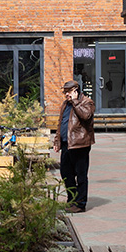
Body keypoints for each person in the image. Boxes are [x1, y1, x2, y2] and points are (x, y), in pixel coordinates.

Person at [53, 79, 95, 213]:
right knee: (66, 174)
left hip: (80, 145)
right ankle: (72, 200)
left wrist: (75, 101)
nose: (66, 94)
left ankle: (80, 204)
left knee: (81, 175)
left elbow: (86, 116)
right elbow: (61, 123)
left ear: (76, 91)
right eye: (65, 92)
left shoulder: (87, 102)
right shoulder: (65, 104)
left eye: (69, 91)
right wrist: (57, 141)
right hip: (67, 144)